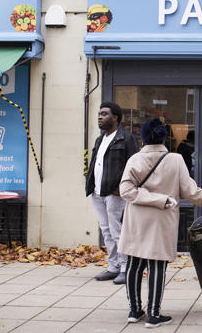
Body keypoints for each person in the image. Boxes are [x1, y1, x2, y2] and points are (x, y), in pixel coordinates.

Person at [118, 118, 202, 328]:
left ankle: (134, 310)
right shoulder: (175, 160)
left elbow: (125, 191)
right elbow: (191, 192)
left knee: (134, 264)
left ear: (143, 138)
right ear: (164, 137)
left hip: (137, 220)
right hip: (162, 220)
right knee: (157, 264)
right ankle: (154, 315)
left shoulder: (134, 160)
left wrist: (151, 198)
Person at [86, 102, 139, 285]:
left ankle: (125, 268)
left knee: (118, 231)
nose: (100, 117)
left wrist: (123, 187)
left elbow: (135, 166)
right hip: (97, 192)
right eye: (99, 114)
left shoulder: (126, 138)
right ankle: (113, 266)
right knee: (106, 231)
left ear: (115, 117)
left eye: (104, 114)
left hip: (115, 193)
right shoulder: (100, 139)